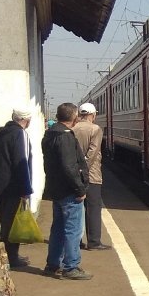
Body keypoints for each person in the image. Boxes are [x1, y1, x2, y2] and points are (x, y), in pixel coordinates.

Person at [41, 103, 92, 281]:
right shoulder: (65, 137)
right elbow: (69, 167)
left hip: (56, 189)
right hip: (69, 191)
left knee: (58, 229)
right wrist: (80, 188)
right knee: (73, 230)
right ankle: (71, 266)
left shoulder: (50, 134)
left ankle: (53, 264)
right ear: (74, 117)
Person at [0, 106, 34, 269]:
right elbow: (22, 163)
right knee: (13, 224)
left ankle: (6, 256)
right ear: (26, 120)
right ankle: (11, 259)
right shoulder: (20, 134)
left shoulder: (1, 133)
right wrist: (26, 190)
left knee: (5, 224)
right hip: (13, 187)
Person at [72, 102, 110, 251]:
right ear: (93, 115)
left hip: (74, 173)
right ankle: (94, 242)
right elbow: (92, 152)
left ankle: (77, 240)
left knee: (76, 208)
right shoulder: (95, 129)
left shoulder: (72, 129)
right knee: (93, 207)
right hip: (92, 175)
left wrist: (75, 171)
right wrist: (83, 170)